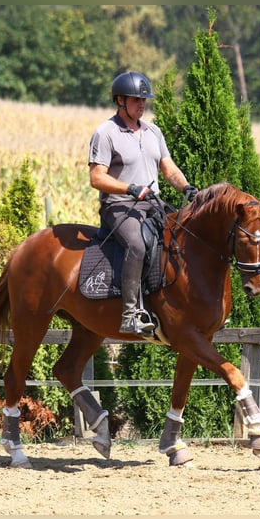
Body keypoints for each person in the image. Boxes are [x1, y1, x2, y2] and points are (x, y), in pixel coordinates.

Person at [88, 70, 198, 336]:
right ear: (120, 100)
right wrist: (131, 188)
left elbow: (168, 168)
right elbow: (96, 178)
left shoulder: (153, 132)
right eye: (136, 99)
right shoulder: (106, 133)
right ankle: (129, 314)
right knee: (137, 244)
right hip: (119, 207)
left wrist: (187, 187)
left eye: (144, 100)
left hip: (152, 204)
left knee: (185, 235)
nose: (142, 104)